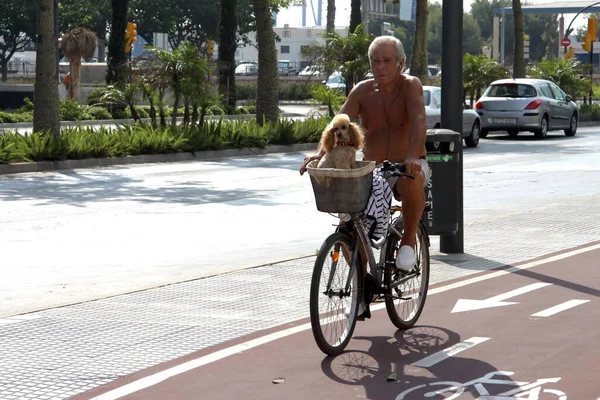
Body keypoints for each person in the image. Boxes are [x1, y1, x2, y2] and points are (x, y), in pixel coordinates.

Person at [299, 35, 430, 272]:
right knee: (348, 221)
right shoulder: (362, 91)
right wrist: (319, 154)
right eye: (375, 61)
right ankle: (361, 281)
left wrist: (412, 157)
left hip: (407, 165)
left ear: (401, 63)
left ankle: (408, 241)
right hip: (372, 168)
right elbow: (336, 125)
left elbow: (420, 122)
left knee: (412, 181)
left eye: (387, 61)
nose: (380, 66)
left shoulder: (411, 85)